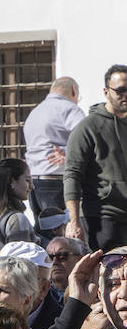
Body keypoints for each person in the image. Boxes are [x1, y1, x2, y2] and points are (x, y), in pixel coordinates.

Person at [64, 65, 127, 249]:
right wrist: (73, 221)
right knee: (106, 274)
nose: (125, 95)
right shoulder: (88, 127)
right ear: (106, 92)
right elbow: (72, 175)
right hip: (102, 217)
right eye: (120, 90)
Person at [23, 77, 84, 215]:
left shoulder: (35, 112)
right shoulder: (70, 109)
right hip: (57, 181)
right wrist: (69, 153)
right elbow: (86, 139)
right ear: (74, 90)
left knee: (44, 232)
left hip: (34, 182)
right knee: (64, 233)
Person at [0, 158, 36, 246]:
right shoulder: (16, 219)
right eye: (27, 180)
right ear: (12, 181)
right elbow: (20, 257)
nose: (32, 186)